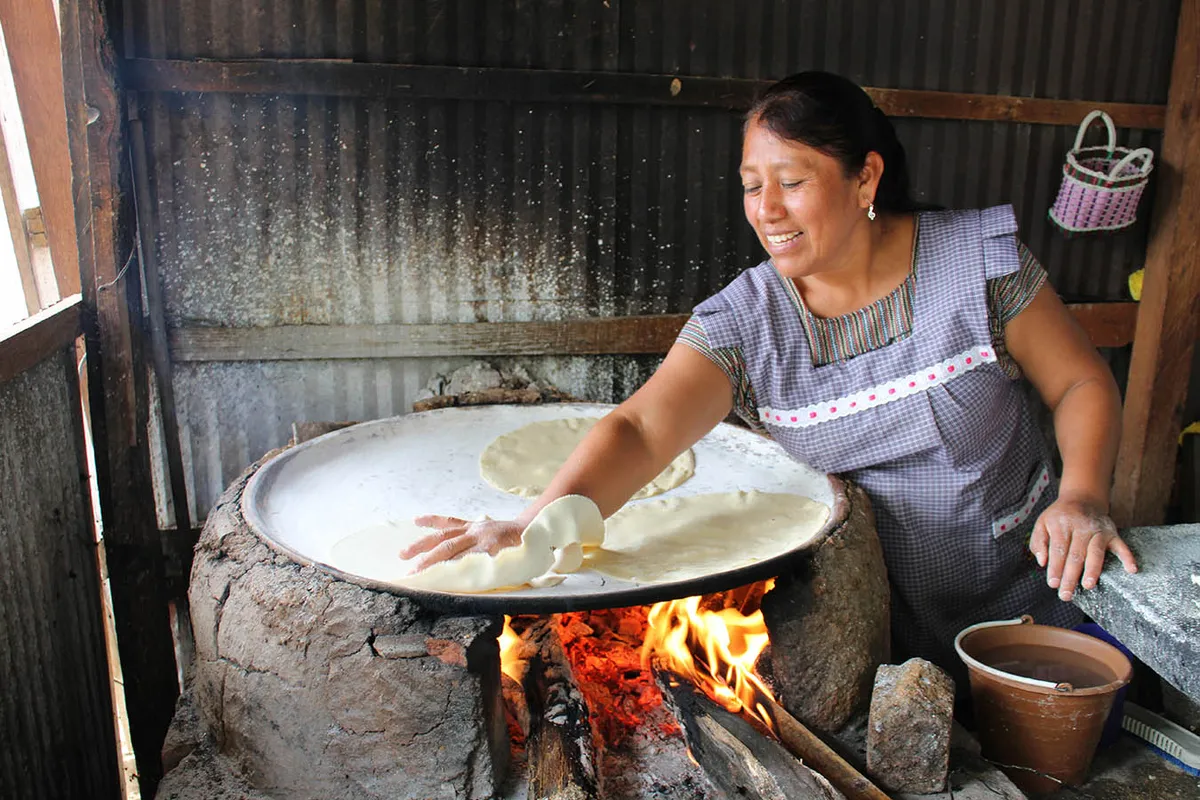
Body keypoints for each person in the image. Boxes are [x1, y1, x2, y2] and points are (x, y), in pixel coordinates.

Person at [401, 71, 1138, 672]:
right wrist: (537, 521)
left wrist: (1081, 496)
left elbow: (1078, 382)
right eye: (753, 184)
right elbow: (641, 427)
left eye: (791, 180)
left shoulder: (976, 266)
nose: (767, 209)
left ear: (865, 178)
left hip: (1033, 592)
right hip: (875, 629)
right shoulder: (745, 323)